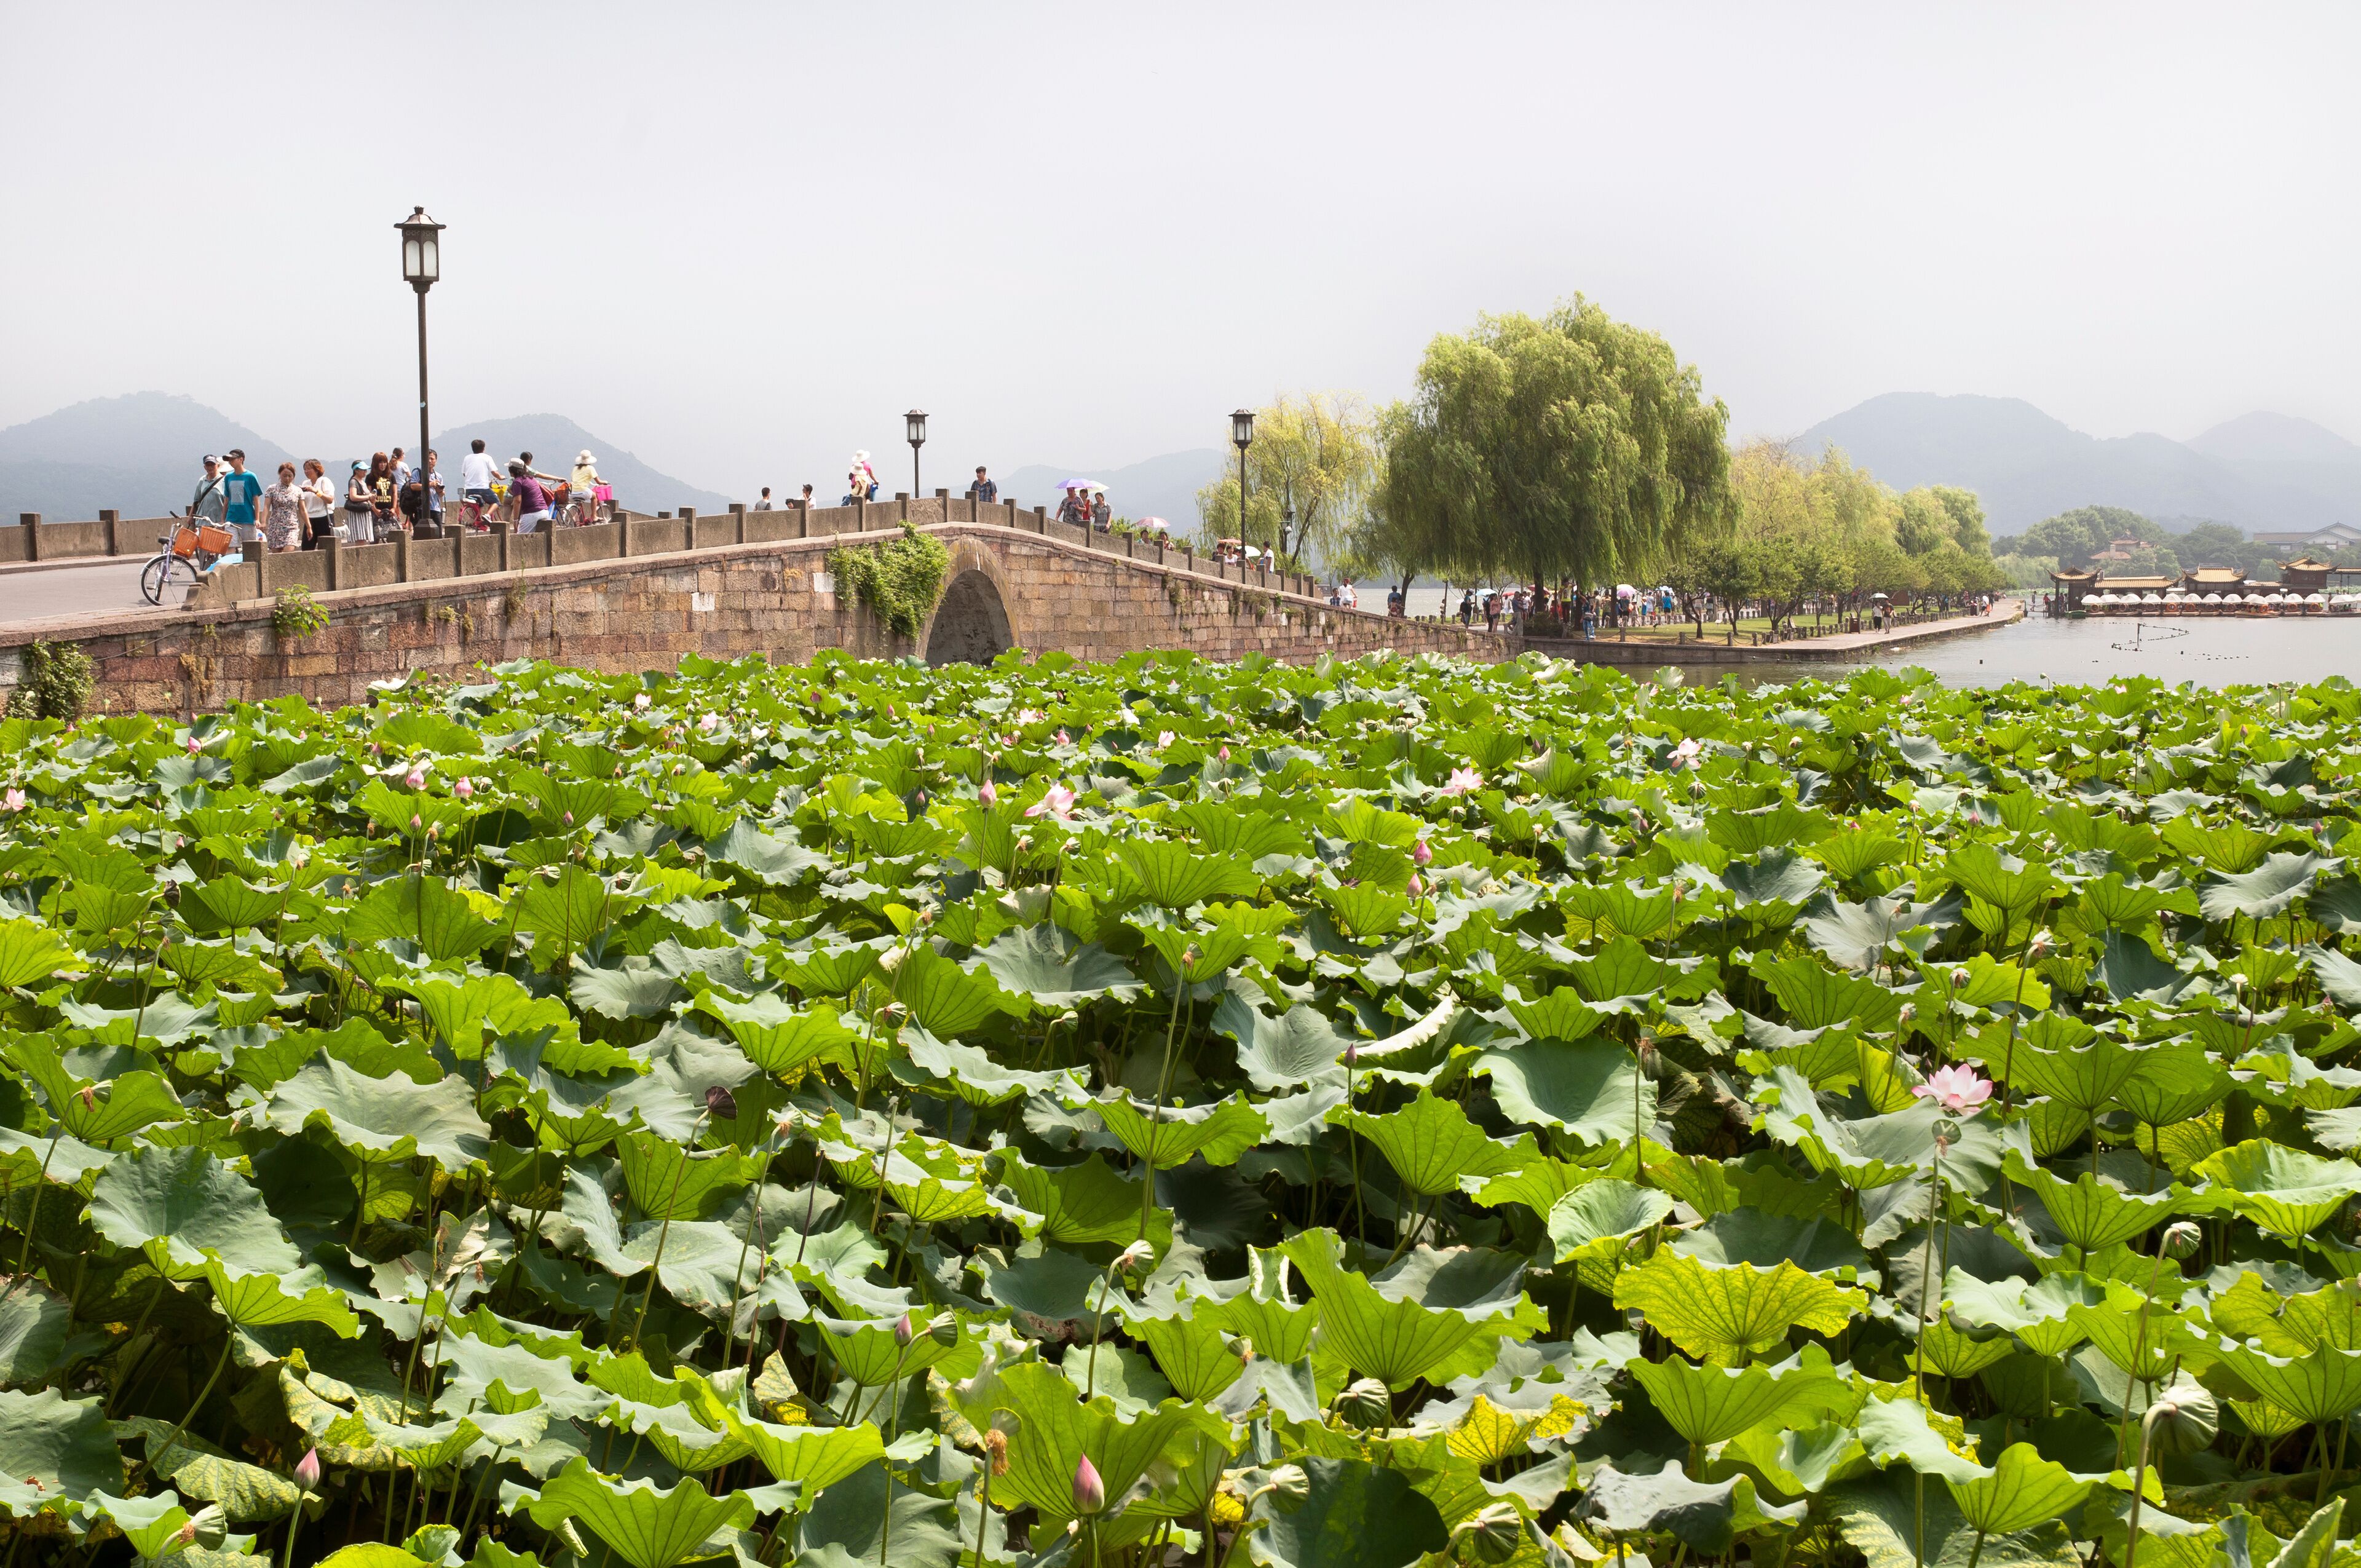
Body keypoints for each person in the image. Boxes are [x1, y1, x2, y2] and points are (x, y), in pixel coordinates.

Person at [220, 449, 264, 549]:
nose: (231, 462)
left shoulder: (251, 477)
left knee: (249, 549)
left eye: (233, 459)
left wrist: (257, 519)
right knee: (230, 547)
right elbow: (226, 500)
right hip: (231, 519)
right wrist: (223, 519)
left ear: (241, 460)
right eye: (229, 460)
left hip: (247, 518)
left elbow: (256, 499)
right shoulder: (228, 477)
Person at [261, 462, 306, 553]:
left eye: (290, 476)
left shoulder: (298, 490)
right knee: (276, 557)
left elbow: (303, 510)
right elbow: (266, 506)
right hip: (276, 526)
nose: (287, 478)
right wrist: (263, 522)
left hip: (292, 525)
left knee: (288, 553)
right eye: (285, 476)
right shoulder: (272, 489)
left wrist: (309, 526)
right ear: (280, 474)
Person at [460, 439, 500, 528]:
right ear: (483, 448)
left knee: (479, 503)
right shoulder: (487, 457)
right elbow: (494, 472)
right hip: (482, 488)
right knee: (496, 501)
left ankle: (477, 521)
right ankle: (488, 515)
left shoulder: (467, 458)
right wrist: (501, 477)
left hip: (469, 489)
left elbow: (464, 473)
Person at [508, 461, 552, 533]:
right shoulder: (532, 479)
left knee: (520, 541)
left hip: (532, 514)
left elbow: (518, 501)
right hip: (544, 512)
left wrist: (515, 520)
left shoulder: (517, 482)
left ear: (511, 470)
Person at [301, 459, 336, 548]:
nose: (306, 471)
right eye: (305, 469)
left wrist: (316, 491)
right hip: (310, 518)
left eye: (309, 469)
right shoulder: (306, 483)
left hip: (324, 517)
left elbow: (330, 499)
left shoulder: (325, 481)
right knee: (306, 547)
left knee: (326, 548)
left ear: (317, 469)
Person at [189, 454, 229, 528]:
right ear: (205, 467)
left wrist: (224, 521)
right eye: (208, 465)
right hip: (202, 522)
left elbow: (227, 503)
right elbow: (196, 501)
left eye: (212, 465)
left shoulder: (225, 481)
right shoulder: (202, 480)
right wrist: (191, 516)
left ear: (218, 465)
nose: (210, 467)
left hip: (217, 523)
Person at [343, 462, 376, 544]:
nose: (365, 472)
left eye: (366, 470)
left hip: (365, 512)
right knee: (360, 538)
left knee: (365, 538)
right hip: (358, 513)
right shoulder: (353, 482)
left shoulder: (363, 482)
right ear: (356, 470)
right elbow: (353, 497)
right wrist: (369, 497)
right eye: (363, 470)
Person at [366, 453, 397, 537]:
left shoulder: (391, 476)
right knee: (376, 535)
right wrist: (375, 510)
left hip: (389, 510)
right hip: (376, 511)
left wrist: (394, 508)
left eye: (385, 462)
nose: (383, 465)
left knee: (391, 536)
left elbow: (394, 492)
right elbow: (368, 495)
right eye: (380, 462)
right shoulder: (371, 477)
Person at [569, 450, 601, 525]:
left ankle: (576, 516)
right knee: (594, 497)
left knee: (579, 502)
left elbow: (573, 479)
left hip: (571, 492)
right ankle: (594, 516)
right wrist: (605, 482)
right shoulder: (590, 468)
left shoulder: (576, 468)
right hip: (583, 491)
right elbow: (599, 482)